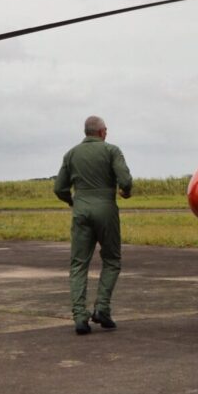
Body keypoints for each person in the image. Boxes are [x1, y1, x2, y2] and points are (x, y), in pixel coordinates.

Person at [54, 115, 133, 335]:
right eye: (105, 130)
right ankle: (102, 308)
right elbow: (125, 181)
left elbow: (59, 188)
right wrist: (125, 192)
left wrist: (73, 201)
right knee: (111, 259)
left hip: (81, 210)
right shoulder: (112, 151)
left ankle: (79, 315)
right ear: (100, 132)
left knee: (79, 263)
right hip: (106, 209)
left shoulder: (71, 154)